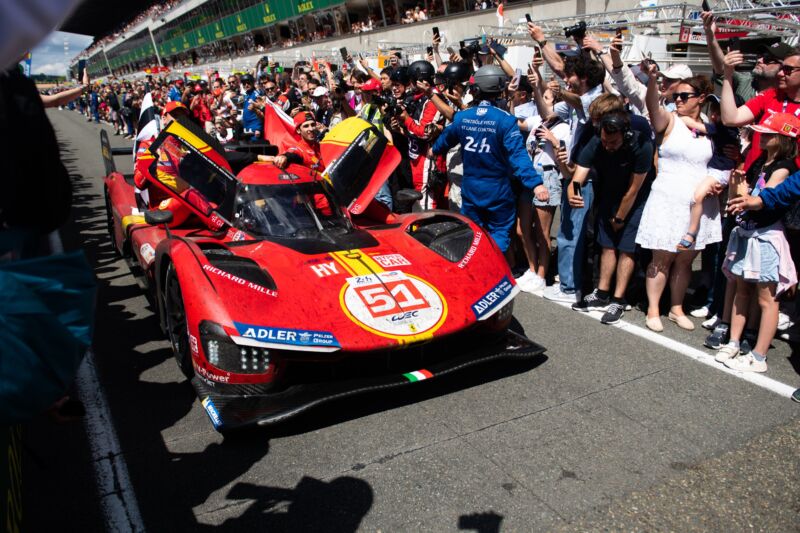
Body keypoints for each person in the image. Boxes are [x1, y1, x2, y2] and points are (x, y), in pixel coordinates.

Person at [430, 65, 548, 259]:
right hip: (498, 190)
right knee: (500, 234)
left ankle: (476, 269)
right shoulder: (506, 121)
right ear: (500, 88)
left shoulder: (462, 117)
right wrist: (536, 184)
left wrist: (433, 150)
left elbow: (443, 141)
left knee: (472, 234)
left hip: (471, 188)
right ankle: (494, 270)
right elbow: (518, 156)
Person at [635, 67, 721, 332]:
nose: (679, 100)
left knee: (685, 260)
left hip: (699, 202)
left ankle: (676, 307)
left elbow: (721, 162)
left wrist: (717, 182)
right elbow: (652, 106)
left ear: (702, 97)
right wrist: (652, 82)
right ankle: (652, 310)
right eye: (677, 95)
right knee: (661, 258)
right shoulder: (669, 120)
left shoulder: (711, 127)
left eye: (685, 96)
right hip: (667, 198)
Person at [714, 112, 800, 372]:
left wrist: (748, 195)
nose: (760, 136)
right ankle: (734, 341)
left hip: (767, 236)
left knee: (767, 299)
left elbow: (764, 195)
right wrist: (736, 184)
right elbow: (744, 194)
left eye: (767, 133)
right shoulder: (760, 161)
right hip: (746, 232)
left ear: (782, 138)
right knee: (741, 290)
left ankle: (759, 355)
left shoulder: (785, 166)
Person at [567, 98, 655, 324]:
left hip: (635, 200)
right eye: (605, 141)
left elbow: (634, 190)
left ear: (624, 135)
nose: (608, 146)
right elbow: (579, 174)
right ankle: (602, 293)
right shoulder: (598, 140)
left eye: (613, 142)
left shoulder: (642, 144)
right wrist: (573, 191)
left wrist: (620, 217)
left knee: (626, 249)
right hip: (608, 193)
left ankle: (618, 298)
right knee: (606, 245)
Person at [676, 94, 741, 250]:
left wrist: (682, 119)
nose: (713, 115)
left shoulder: (727, 129)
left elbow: (698, 126)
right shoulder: (721, 128)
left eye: (719, 112)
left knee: (697, 197)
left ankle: (691, 234)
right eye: (713, 110)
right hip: (714, 170)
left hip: (719, 172)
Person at [720, 47, 800, 171]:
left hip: (786, 186)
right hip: (755, 178)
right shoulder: (772, 95)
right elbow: (731, 118)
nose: (780, 73)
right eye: (782, 68)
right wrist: (727, 75)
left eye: (788, 70)